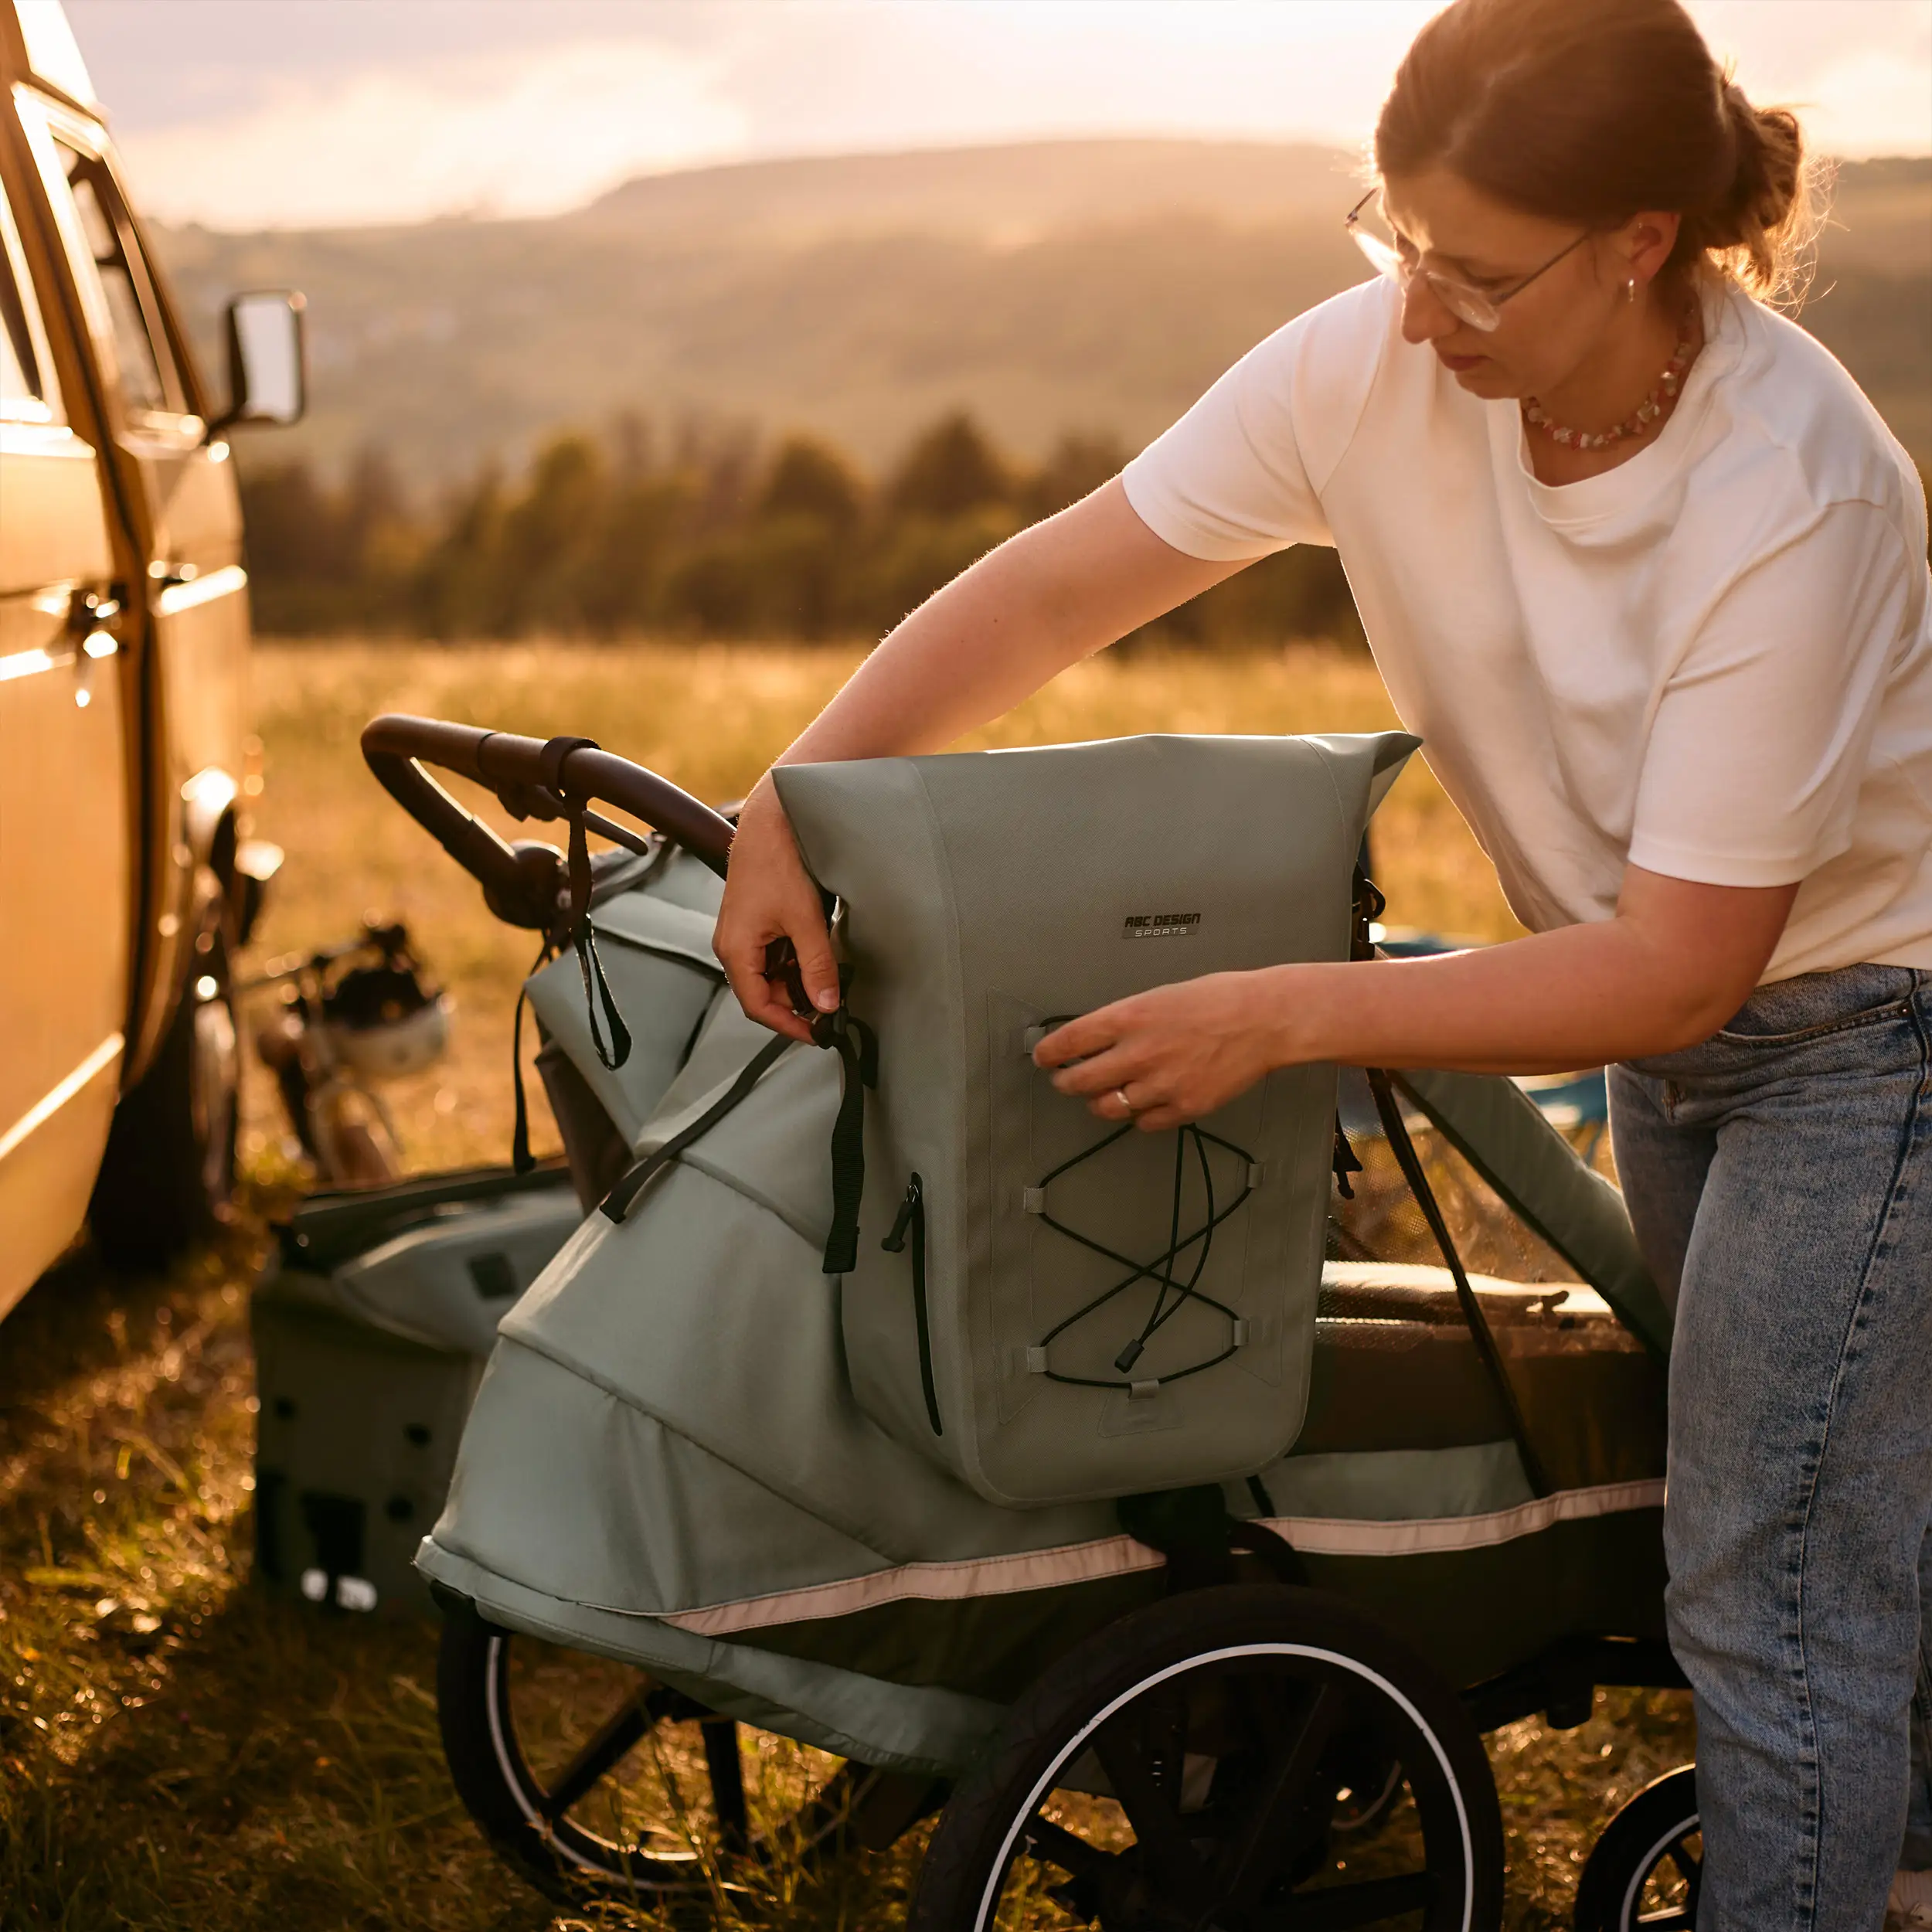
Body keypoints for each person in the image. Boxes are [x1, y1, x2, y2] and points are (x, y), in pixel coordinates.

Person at [713, 0, 1932, 1922]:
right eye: (1393, 231)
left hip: (1866, 1044)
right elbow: (1064, 575)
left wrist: (1282, 1012)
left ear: (1637, 243)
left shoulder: (1792, 489)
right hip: (1679, 1031)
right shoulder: (1368, 363)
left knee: (1765, 1579)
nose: (1417, 303)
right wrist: (798, 794)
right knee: (1837, 1504)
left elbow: (1679, 971)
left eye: (1473, 267)